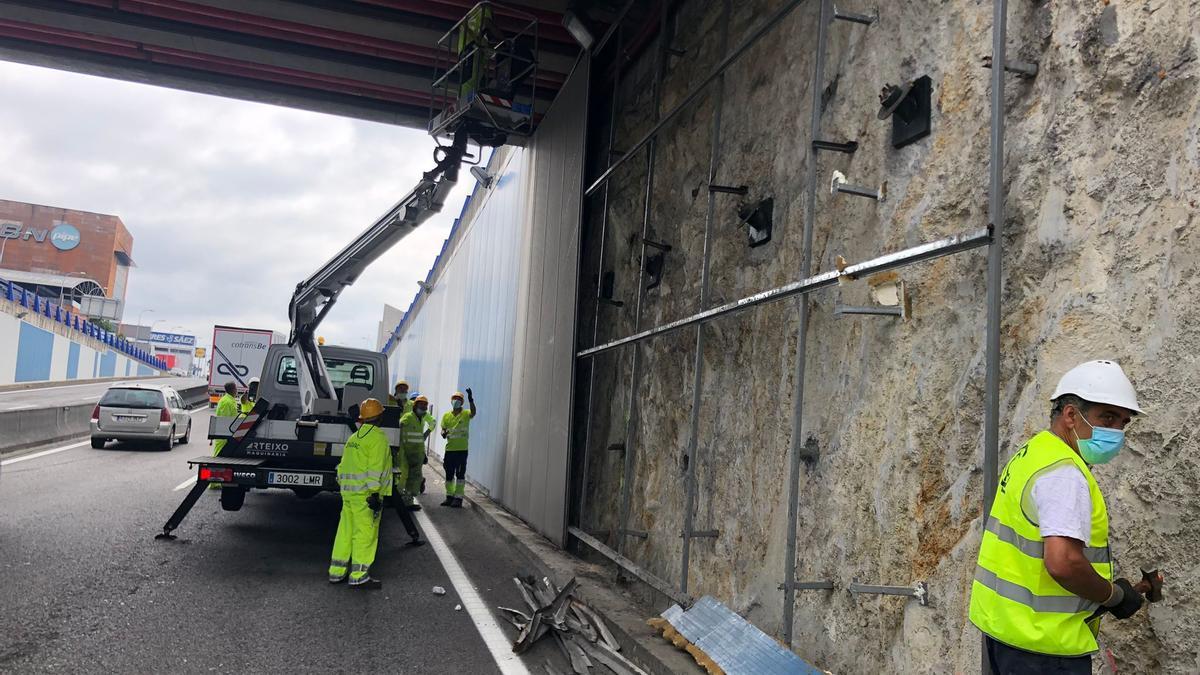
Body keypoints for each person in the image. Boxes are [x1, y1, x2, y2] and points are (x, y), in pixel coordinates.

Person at [969, 360, 1149, 673]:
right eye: (1106, 418)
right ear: (1070, 415)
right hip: (1045, 650)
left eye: (1122, 422)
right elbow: (1063, 563)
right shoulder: (1065, 475)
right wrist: (1113, 596)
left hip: (1007, 633)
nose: (1116, 431)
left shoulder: (1036, 451)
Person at [328, 398, 390, 590]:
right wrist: (374, 494)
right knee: (364, 533)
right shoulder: (378, 438)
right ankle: (359, 575)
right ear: (379, 416)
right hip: (366, 496)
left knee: (345, 532)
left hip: (349, 495)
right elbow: (375, 469)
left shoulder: (354, 438)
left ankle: (336, 572)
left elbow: (342, 467)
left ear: (363, 418)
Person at [439, 388, 476, 507]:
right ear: (451, 401)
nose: (456, 401)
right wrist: (443, 433)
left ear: (462, 402)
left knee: (460, 474)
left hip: (461, 450)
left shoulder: (465, 414)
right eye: (454, 399)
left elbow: (473, 412)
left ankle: (458, 498)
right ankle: (449, 496)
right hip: (449, 450)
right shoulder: (446, 416)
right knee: (449, 474)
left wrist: (471, 399)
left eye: (459, 399)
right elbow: (443, 429)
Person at [398, 395, 436, 510]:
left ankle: (408, 501)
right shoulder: (408, 417)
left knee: (415, 478)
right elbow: (400, 425)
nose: (423, 407)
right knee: (403, 476)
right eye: (421, 405)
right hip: (406, 452)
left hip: (417, 454)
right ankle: (397, 498)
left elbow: (419, 439)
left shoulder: (422, 418)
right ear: (415, 406)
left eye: (425, 405)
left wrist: (423, 454)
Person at [212, 381, 238, 457]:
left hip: (227, 432)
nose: (236, 390)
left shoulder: (229, 400)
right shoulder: (227, 402)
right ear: (233, 390)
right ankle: (216, 465)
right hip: (224, 433)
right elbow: (225, 420)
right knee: (220, 452)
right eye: (236, 388)